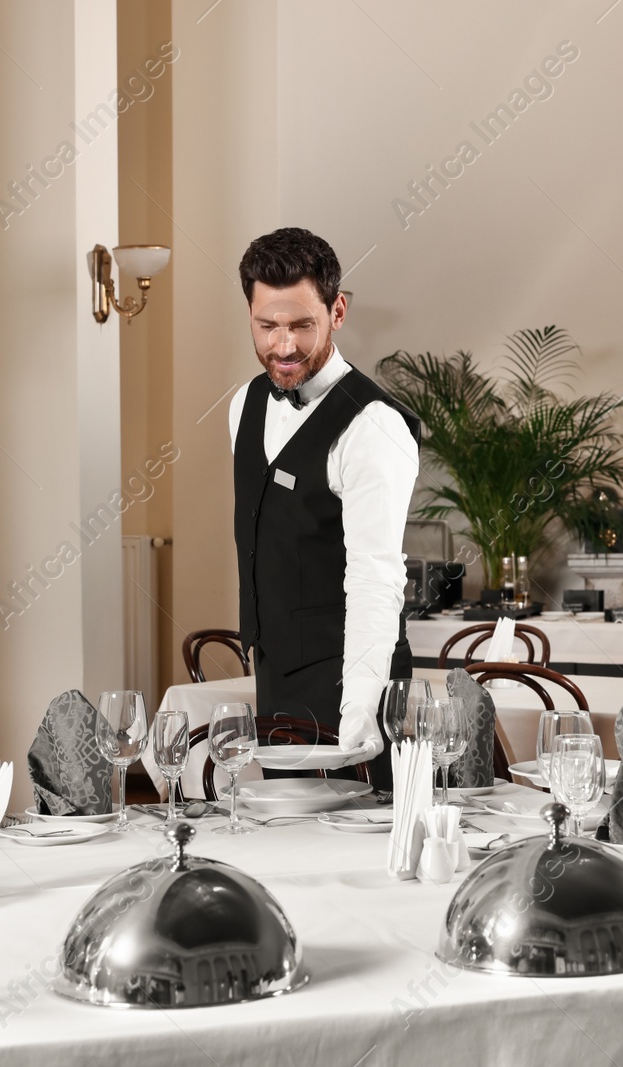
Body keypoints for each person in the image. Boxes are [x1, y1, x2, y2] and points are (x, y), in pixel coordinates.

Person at [229, 228, 419, 780]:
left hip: (354, 682)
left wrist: (360, 710)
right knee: (286, 855)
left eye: (301, 326)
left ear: (338, 312)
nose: (283, 346)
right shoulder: (245, 404)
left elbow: (375, 578)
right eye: (267, 326)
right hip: (276, 679)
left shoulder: (374, 426)